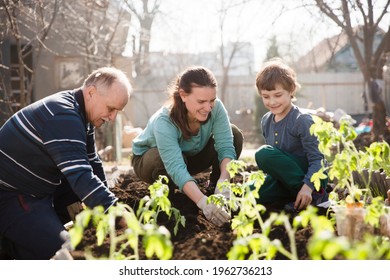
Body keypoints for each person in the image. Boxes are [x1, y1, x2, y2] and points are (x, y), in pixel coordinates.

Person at [0, 67, 132, 259]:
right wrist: (120, 216)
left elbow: (92, 162)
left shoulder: (80, 115)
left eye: (117, 112)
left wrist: (109, 203)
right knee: (66, 252)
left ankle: (32, 234)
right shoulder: (64, 116)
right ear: (91, 93)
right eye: (111, 109)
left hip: (39, 190)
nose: (112, 118)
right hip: (12, 194)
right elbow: (81, 176)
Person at [131, 66, 243, 227]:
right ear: (183, 95)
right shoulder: (165, 120)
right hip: (149, 162)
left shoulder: (216, 108)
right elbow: (176, 166)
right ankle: (166, 204)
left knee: (235, 135)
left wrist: (223, 183)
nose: (208, 107)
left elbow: (226, 146)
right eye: (201, 101)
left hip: (189, 156)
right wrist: (202, 203)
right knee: (163, 160)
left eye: (211, 100)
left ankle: (214, 191)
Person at [254, 59, 328, 212]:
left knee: (263, 154)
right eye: (266, 96)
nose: (272, 101)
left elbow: (318, 160)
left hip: (310, 179)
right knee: (249, 193)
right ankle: (295, 197)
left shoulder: (302, 120)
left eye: (278, 95)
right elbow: (276, 163)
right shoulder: (266, 121)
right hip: (283, 180)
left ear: (292, 90)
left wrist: (308, 187)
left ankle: (315, 196)